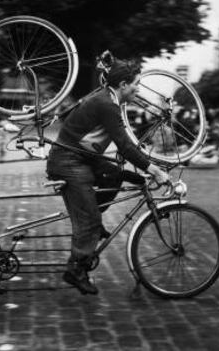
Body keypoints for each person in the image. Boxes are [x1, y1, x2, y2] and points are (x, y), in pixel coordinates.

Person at [46, 58, 168, 295]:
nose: (138, 89)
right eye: (136, 84)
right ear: (123, 84)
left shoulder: (109, 99)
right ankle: (76, 269)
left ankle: (93, 223)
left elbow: (127, 142)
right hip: (68, 160)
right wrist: (153, 169)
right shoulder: (107, 104)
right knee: (89, 218)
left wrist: (146, 167)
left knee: (116, 174)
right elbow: (124, 145)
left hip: (81, 156)